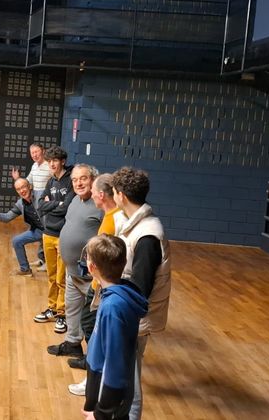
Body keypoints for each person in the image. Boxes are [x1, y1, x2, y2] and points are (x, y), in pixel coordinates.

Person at [112, 167, 171, 420]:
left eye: (114, 192)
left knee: (130, 380)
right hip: (127, 314)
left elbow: (140, 289)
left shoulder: (147, 235)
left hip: (134, 318)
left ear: (122, 195)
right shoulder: (132, 223)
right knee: (123, 375)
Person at [81, 234, 148, 420]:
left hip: (107, 397)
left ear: (91, 267)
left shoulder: (114, 307)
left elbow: (115, 365)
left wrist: (102, 413)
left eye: (87, 257)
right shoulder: (114, 295)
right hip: (103, 388)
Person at [68, 173, 125, 394]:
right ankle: (93, 372)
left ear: (101, 195)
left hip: (104, 287)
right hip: (98, 284)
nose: (91, 194)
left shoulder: (116, 219)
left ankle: (95, 378)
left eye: (93, 191)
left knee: (94, 331)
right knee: (89, 325)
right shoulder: (109, 215)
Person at [47, 164, 103, 358]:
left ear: (93, 180)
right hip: (72, 270)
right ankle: (72, 343)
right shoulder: (75, 201)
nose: (78, 183)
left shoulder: (100, 204)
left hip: (91, 274)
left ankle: (94, 356)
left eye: (83, 179)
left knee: (92, 316)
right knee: (72, 309)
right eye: (75, 180)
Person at [33, 145, 74, 334]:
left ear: (62, 161)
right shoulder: (51, 181)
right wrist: (55, 204)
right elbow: (40, 204)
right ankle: (52, 307)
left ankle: (62, 313)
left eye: (55, 160)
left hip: (63, 235)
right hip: (48, 233)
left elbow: (66, 208)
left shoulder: (70, 181)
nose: (52, 164)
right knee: (51, 276)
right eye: (49, 161)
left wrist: (53, 205)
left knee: (61, 277)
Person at [0, 178, 44, 276]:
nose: (22, 191)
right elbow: (6, 217)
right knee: (17, 241)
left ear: (29, 186)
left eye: (23, 187)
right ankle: (25, 270)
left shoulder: (41, 195)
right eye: (18, 189)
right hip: (38, 231)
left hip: (52, 230)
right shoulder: (20, 204)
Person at [11, 143, 49, 270]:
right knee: (38, 228)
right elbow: (27, 182)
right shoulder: (34, 166)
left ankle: (48, 262)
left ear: (43, 151)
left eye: (36, 151)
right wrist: (18, 179)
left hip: (45, 202)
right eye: (32, 153)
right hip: (34, 201)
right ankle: (42, 259)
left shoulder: (49, 166)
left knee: (45, 230)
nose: (34, 155)